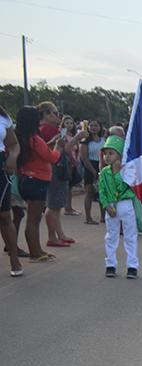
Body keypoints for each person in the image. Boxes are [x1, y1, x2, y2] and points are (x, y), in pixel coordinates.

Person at [14, 106, 82, 262]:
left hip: (28, 178)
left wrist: (51, 143)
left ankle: (36, 249)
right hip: (37, 180)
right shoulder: (34, 138)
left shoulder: (23, 137)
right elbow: (51, 157)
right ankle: (35, 252)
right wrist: (58, 147)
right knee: (34, 220)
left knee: (33, 218)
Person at [98, 136, 142, 279]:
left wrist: (119, 173)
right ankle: (110, 264)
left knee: (130, 236)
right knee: (111, 236)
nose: (107, 157)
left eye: (111, 153)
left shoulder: (127, 170)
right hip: (111, 207)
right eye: (105, 154)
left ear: (120, 155)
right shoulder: (104, 172)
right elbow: (102, 191)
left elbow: (127, 187)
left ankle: (132, 266)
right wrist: (106, 206)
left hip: (125, 205)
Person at [37, 102, 76, 247]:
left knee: (55, 205)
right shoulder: (48, 129)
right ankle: (52, 236)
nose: (58, 116)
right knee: (53, 205)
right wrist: (77, 139)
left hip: (52, 168)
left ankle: (58, 234)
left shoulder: (44, 129)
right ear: (46, 114)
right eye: (54, 113)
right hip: (55, 168)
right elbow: (64, 149)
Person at [1, 104, 22, 276]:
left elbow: (14, 144)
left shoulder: (4, 118)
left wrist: (12, 158)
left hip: (2, 166)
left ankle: (14, 259)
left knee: (5, 215)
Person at [80, 120, 106, 224]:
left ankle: (103, 216)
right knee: (89, 193)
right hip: (90, 166)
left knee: (102, 193)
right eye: (91, 125)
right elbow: (84, 157)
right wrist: (92, 170)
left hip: (102, 166)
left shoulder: (103, 140)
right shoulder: (85, 141)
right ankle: (88, 217)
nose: (93, 127)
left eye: (96, 125)